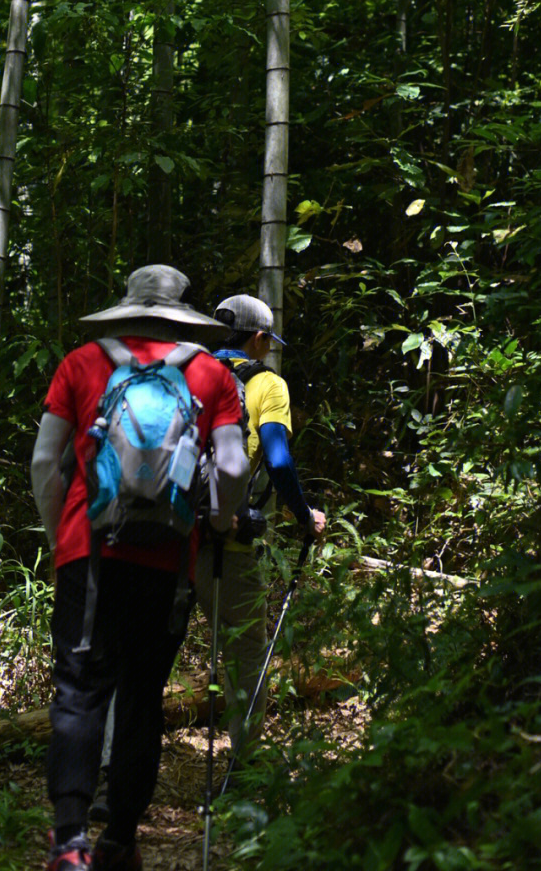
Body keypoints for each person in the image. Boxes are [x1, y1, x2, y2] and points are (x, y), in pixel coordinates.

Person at [31, 265, 250, 871]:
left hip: (88, 552)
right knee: (142, 696)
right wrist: (221, 525)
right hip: (165, 560)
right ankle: (120, 839)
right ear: (183, 315)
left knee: (79, 691)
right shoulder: (211, 374)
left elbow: (46, 462)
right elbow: (231, 470)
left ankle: (69, 839)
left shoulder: (81, 363)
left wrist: (62, 541)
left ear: (127, 309)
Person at [193, 294, 326, 770]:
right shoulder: (268, 384)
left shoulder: (188, 372)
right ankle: (244, 771)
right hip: (232, 539)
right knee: (246, 653)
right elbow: (279, 458)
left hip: (174, 537)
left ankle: (119, 766)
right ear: (258, 338)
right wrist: (304, 513)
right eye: (268, 341)